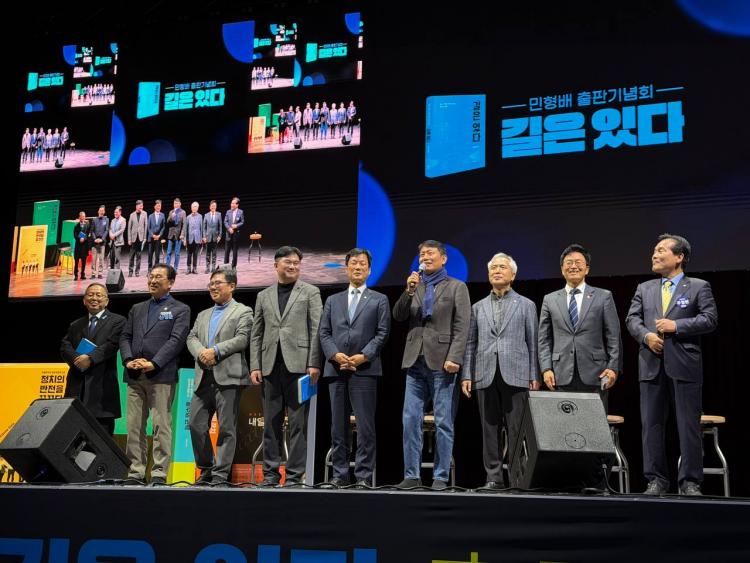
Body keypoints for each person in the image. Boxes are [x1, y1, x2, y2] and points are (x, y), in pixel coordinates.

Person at [626, 234, 718, 496]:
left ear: (679, 257)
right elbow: (632, 319)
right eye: (654, 250)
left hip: (684, 364)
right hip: (650, 364)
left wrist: (676, 326)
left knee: (688, 425)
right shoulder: (644, 288)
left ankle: (690, 481)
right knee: (651, 425)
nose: (654, 255)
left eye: (661, 250)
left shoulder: (699, 286)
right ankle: (656, 480)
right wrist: (646, 336)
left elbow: (710, 319)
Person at [538, 243, 621, 489]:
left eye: (578, 263)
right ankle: (568, 482)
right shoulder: (550, 299)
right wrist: (545, 368)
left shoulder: (603, 296)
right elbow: (544, 338)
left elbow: (613, 335)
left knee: (594, 429)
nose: (573, 266)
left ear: (587, 268)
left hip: (595, 373)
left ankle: (597, 483)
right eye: (568, 263)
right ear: (561, 269)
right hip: (561, 373)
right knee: (564, 430)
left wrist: (613, 366)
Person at [392, 240, 471, 490]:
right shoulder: (415, 285)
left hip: (442, 362)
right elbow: (398, 315)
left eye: (430, 253)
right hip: (415, 360)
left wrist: (455, 357)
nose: (425, 257)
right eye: (422, 254)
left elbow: (462, 326)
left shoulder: (457, 287)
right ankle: (412, 475)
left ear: (443, 258)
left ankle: (440, 476)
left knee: (443, 421)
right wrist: (408, 291)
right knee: (410, 420)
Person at [461, 253, 540, 489]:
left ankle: (518, 479)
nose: (497, 271)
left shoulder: (526, 305)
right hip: (485, 374)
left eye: (502, 267)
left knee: (517, 430)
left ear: (512, 275)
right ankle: (494, 478)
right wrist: (467, 374)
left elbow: (533, 343)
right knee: (489, 430)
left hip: (516, 374)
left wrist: (534, 374)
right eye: (493, 268)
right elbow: (470, 344)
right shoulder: (477, 307)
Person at [250, 246, 322, 486]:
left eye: (296, 263)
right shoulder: (263, 295)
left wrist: (314, 362)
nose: (292, 266)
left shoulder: (310, 292)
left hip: (300, 368)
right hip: (270, 366)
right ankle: (270, 475)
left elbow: (316, 328)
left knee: (298, 424)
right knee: (270, 423)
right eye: (288, 262)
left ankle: (294, 475)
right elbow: (256, 333)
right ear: (276, 265)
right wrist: (255, 365)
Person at [318, 248, 391, 487]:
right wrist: (335, 354)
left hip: (365, 370)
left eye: (362, 264)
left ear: (369, 270)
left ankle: (363, 477)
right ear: (347, 268)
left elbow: (382, 333)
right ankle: (339, 475)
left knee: (365, 426)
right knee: (338, 426)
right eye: (353, 264)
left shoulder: (379, 299)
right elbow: (324, 332)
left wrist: (363, 356)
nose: (358, 267)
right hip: (336, 369)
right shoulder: (333, 300)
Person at [119, 264, 190, 485]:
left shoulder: (181, 309)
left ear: (171, 283)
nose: (153, 280)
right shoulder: (137, 308)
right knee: (134, 427)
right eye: (151, 276)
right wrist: (128, 360)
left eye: (159, 276)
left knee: (161, 426)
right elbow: (125, 337)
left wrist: (154, 363)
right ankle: (136, 472)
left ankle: (159, 473)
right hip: (135, 375)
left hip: (161, 375)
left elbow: (176, 340)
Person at [187, 267, 253, 486]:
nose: (213, 287)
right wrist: (201, 352)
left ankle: (220, 475)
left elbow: (243, 339)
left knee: (226, 429)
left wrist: (215, 351)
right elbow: (191, 337)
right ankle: (206, 468)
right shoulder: (203, 314)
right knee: (195, 424)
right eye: (211, 284)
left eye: (218, 283)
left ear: (232, 286)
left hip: (229, 378)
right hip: (203, 377)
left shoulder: (243, 311)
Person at [61, 283, 126, 436]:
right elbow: (65, 346)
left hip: (102, 389)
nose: (94, 298)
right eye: (90, 295)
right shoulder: (76, 324)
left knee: (102, 439)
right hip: (77, 388)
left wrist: (90, 358)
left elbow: (112, 344)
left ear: (106, 301)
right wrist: (78, 360)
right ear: (84, 300)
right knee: (73, 437)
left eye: (98, 295)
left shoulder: (118, 321)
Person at [128, 200, 148, 277]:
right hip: (133, 238)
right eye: (140, 206)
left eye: (142, 206)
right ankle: (130, 271)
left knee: (139, 256)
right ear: (137, 206)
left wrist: (145, 237)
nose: (141, 207)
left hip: (140, 238)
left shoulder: (145, 214)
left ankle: (137, 271)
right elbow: (129, 228)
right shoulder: (132, 215)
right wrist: (129, 239)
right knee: (131, 256)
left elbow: (145, 226)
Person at [223, 197, 244, 269]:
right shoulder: (228, 212)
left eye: (233, 203)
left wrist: (236, 226)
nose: (232, 205)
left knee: (235, 252)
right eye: (231, 203)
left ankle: (233, 266)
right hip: (228, 234)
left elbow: (242, 222)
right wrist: (229, 228)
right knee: (227, 252)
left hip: (236, 235)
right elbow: (225, 222)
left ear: (237, 205)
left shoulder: (241, 212)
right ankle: (226, 266)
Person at [202, 200, 222, 274]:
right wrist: (204, 237)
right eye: (212, 206)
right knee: (207, 253)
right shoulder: (206, 215)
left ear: (216, 207)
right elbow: (204, 227)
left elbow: (220, 226)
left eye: (214, 206)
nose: (213, 207)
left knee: (214, 253)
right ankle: (207, 268)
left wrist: (220, 235)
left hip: (215, 237)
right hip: (208, 237)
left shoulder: (219, 214)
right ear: (210, 207)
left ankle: (213, 268)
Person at [165, 198, 185, 270]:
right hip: (171, 234)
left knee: (177, 253)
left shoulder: (183, 212)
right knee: (168, 252)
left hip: (178, 235)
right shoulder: (171, 212)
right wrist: (171, 216)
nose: (175, 205)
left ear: (180, 204)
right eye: (174, 203)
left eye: (177, 203)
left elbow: (184, 224)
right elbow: (167, 222)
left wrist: (182, 234)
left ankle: (175, 268)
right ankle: (167, 267)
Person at [184, 201, 203, 275]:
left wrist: (201, 237)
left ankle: (194, 268)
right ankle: (188, 268)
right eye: (193, 207)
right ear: (191, 208)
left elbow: (201, 228)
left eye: (195, 207)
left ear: (197, 208)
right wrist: (185, 239)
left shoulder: (200, 216)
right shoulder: (188, 217)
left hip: (197, 238)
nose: (194, 208)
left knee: (195, 254)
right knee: (189, 254)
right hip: (190, 238)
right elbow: (186, 229)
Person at [90, 206, 109, 279]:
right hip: (94, 242)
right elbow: (92, 231)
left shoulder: (106, 220)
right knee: (93, 259)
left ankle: (100, 273)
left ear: (104, 212)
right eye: (100, 210)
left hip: (102, 242)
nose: (101, 212)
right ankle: (93, 273)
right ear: (98, 211)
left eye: (103, 211)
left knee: (101, 258)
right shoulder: (94, 220)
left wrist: (102, 239)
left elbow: (106, 230)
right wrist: (95, 239)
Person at [147, 200, 165, 271]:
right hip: (151, 238)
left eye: (159, 206)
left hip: (158, 238)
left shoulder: (162, 215)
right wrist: (153, 235)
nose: (158, 207)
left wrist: (159, 235)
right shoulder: (150, 216)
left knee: (157, 256)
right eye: (157, 206)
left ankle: (156, 269)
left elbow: (163, 227)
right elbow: (148, 228)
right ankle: (149, 269)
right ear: (154, 207)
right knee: (150, 255)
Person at [73, 211, 91, 281]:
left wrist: (84, 238)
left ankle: (82, 274)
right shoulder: (76, 226)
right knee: (76, 262)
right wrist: (79, 238)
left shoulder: (87, 225)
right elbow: (75, 235)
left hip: (84, 246)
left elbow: (88, 233)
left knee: (84, 262)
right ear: (79, 217)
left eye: (84, 216)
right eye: (81, 216)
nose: (83, 218)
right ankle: (76, 275)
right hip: (78, 246)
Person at [108, 206, 126, 270]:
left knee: (117, 258)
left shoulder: (123, 220)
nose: (115, 213)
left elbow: (122, 230)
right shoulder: (113, 220)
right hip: (112, 241)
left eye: (116, 212)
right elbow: (110, 229)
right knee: (111, 257)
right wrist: (110, 235)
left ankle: (117, 271)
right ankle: (112, 271)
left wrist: (114, 235)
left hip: (118, 242)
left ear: (120, 212)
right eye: (114, 212)